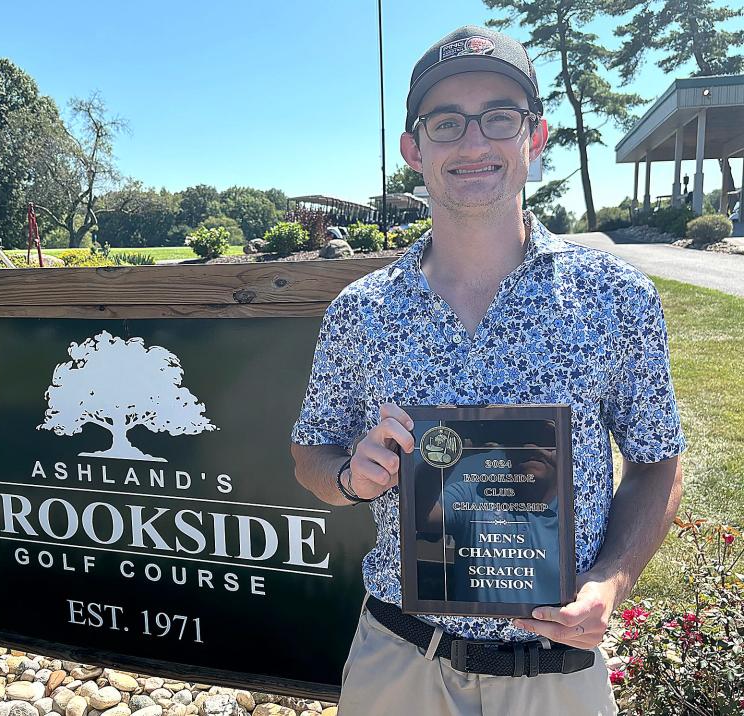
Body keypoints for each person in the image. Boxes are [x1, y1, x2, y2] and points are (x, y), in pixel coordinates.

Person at [290, 24, 685, 715]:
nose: (473, 143)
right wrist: (352, 477)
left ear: (534, 138)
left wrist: (612, 584)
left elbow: (657, 461)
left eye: (499, 117)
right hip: (401, 663)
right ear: (414, 149)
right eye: (446, 123)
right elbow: (309, 453)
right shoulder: (361, 312)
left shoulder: (615, 297)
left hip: (557, 672)